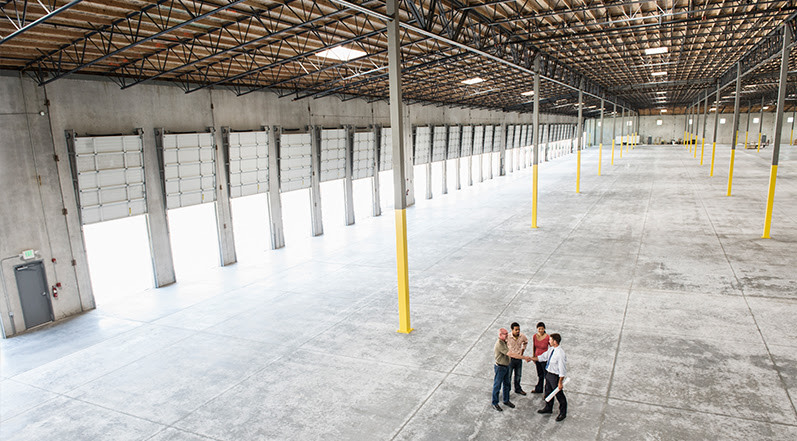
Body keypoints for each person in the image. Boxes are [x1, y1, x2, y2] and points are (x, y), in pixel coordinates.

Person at [493, 328, 531, 411]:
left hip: (506, 366)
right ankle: (495, 402)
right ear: (500, 335)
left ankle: (506, 400)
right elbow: (510, 354)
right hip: (500, 367)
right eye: (505, 334)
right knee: (497, 385)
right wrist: (524, 357)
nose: (507, 335)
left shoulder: (505, 341)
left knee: (507, 384)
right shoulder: (499, 344)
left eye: (507, 333)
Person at [531, 333, 567, 421]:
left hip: (555, 376)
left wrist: (560, 382)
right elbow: (543, 357)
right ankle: (548, 408)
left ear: (555, 341)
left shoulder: (560, 354)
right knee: (548, 391)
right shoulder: (551, 350)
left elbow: (562, 369)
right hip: (549, 374)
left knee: (559, 395)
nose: (549, 341)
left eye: (550, 340)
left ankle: (563, 413)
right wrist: (531, 358)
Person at [507, 322, 529, 395]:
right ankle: (507, 391)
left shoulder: (522, 336)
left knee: (518, 375)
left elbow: (526, 342)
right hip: (510, 359)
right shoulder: (508, 337)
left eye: (518, 329)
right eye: (516, 330)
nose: (518, 331)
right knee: (508, 376)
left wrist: (523, 350)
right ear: (512, 330)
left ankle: (518, 389)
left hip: (518, 359)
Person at [530, 322, 549, 394]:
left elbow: (551, 347)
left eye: (542, 329)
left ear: (544, 329)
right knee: (540, 374)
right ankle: (539, 389)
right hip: (537, 358)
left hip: (544, 359)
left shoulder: (547, 337)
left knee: (546, 376)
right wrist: (533, 356)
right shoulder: (535, 336)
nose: (541, 330)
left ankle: (547, 392)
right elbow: (534, 346)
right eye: (539, 329)